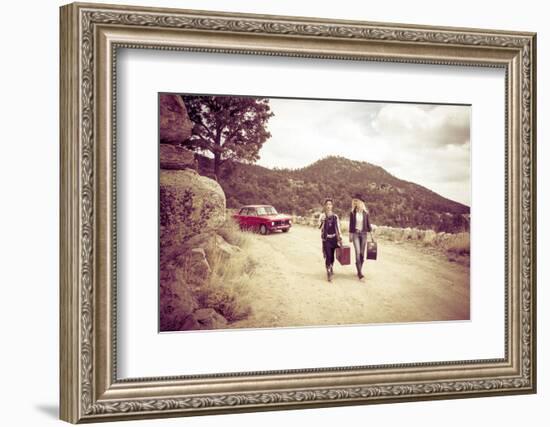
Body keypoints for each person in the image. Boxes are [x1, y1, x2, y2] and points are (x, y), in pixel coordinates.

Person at [318, 199, 343, 282]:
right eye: (327, 204)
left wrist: (340, 237)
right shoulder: (322, 216)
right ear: (325, 206)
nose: (329, 206)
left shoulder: (335, 216)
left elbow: (338, 227)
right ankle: (328, 271)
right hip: (326, 239)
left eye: (330, 204)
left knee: (332, 256)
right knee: (328, 255)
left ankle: (331, 266)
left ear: (332, 206)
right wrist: (323, 221)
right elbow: (319, 227)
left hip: (334, 238)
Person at [349, 193, 372, 280]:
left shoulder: (366, 213)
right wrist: (350, 235)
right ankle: (359, 273)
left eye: (357, 201)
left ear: (361, 202)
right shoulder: (352, 213)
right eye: (355, 201)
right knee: (357, 253)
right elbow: (351, 225)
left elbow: (368, 225)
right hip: (355, 234)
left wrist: (371, 234)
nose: (355, 202)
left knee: (362, 254)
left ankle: (359, 268)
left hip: (364, 234)